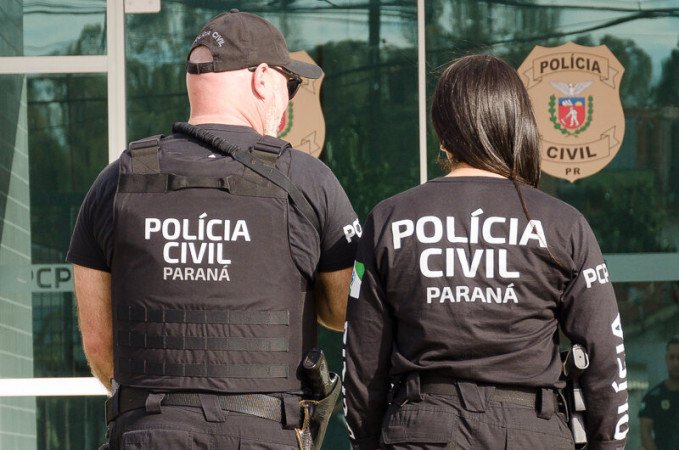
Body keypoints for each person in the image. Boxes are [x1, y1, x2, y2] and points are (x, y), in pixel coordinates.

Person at [67, 9, 359, 450]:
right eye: (290, 85)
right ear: (262, 78)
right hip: (264, 436)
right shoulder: (307, 178)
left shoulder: (117, 180)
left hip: (148, 433)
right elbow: (342, 311)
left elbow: (97, 339)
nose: (288, 99)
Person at [342, 54, 629, 450]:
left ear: (442, 134)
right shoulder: (563, 225)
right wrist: (609, 443)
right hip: (532, 431)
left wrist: (365, 441)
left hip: (421, 428)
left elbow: (362, 362)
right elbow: (605, 356)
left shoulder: (390, 219)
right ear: (516, 126)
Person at [639, 335, 679, 450]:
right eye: (672, 357)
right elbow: (645, 434)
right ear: (666, 359)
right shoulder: (653, 398)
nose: (676, 363)